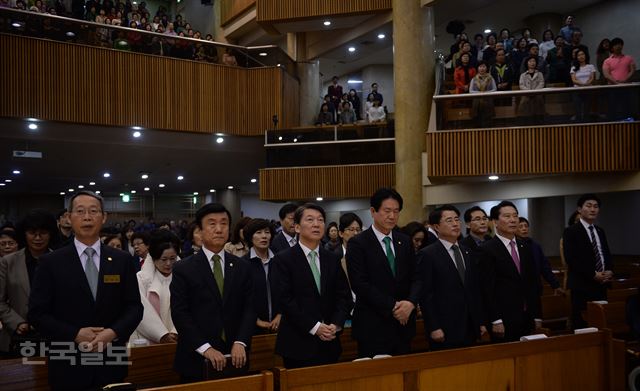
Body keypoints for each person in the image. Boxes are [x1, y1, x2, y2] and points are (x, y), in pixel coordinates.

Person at [28, 191, 143, 390]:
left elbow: (134, 307)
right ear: (68, 218)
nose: (87, 217)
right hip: (68, 361)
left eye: (93, 211)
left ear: (104, 217)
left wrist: (112, 333)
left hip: (110, 359)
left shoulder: (121, 259)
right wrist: (74, 334)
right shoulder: (51, 262)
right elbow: (37, 314)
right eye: (80, 211)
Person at [170, 203, 255, 382]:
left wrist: (241, 342)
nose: (219, 229)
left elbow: (250, 308)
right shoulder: (183, 268)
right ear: (199, 231)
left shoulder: (242, 266)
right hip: (196, 358)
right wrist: (205, 348)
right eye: (212, 223)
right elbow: (180, 313)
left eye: (224, 223)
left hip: (236, 356)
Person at [274, 204, 352, 368]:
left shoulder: (331, 258)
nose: (316, 224)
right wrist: (315, 327)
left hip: (330, 341)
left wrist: (336, 324)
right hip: (298, 343)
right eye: (310, 220)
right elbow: (285, 300)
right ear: (296, 227)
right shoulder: (283, 259)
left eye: (321, 220)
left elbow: (344, 295)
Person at [346, 188, 422, 357]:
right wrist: (394, 306)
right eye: (387, 211)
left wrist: (410, 303)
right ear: (373, 211)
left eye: (396, 211)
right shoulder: (358, 243)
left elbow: (417, 277)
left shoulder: (404, 240)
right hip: (373, 325)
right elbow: (360, 284)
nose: (392, 216)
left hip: (403, 324)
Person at [419, 205, 486, 350]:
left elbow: (474, 289)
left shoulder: (467, 251)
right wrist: (434, 327)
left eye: (457, 219)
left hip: (470, 325)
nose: (455, 224)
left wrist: (479, 321)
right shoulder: (428, 254)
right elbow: (426, 295)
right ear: (436, 226)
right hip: (444, 326)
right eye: (449, 220)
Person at [478, 201, 541, 342]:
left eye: (515, 216)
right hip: (504, 318)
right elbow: (487, 288)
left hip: (527, 316)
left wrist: (537, 315)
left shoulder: (525, 246)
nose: (513, 220)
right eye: (507, 216)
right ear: (495, 221)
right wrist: (495, 320)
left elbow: (533, 283)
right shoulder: (487, 249)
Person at [0, 210, 58, 355]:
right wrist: (17, 322)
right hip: (18, 335)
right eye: (32, 232)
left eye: (43, 232)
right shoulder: (8, 262)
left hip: (54, 335)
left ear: (50, 234)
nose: (37, 238)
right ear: (24, 234)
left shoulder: (60, 261)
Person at [563, 194, 613, 330]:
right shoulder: (571, 231)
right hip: (582, 286)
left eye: (596, 207)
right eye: (589, 206)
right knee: (582, 325)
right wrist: (592, 274)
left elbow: (605, 254)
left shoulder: (600, 231)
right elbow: (571, 259)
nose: (593, 209)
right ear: (579, 209)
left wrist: (609, 270)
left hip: (601, 285)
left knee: (601, 324)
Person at [130, 230, 180, 344]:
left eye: (172, 259)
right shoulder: (141, 279)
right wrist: (162, 335)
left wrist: (175, 332)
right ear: (153, 258)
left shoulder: (183, 278)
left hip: (179, 338)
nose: (168, 264)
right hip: (147, 340)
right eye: (163, 259)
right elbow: (140, 310)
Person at [241, 219, 280, 334]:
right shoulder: (242, 264)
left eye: (267, 232)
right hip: (251, 327)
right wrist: (256, 320)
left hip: (280, 324)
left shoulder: (280, 261)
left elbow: (287, 291)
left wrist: (280, 315)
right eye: (258, 232)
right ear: (250, 237)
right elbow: (240, 297)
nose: (264, 236)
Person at [516, 218, 563, 297]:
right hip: (519, 289)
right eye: (520, 227)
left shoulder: (535, 246)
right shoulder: (513, 246)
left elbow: (545, 267)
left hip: (535, 287)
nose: (524, 229)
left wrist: (555, 285)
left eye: (526, 226)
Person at [602, 37, 636, 120]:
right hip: (613, 88)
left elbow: (632, 70)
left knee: (627, 106)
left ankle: (628, 123)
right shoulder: (607, 61)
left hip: (626, 87)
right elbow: (606, 74)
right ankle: (614, 123)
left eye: (620, 44)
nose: (618, 46)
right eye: (616, 45)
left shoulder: (629, 58)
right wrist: (616, 83)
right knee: (613, 107)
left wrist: (625, 80)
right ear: (612, 47)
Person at [570, 49, 596, 121]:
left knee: (586, 111)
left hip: (588, 90)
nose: (581, 56)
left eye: (582, 54)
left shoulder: (591, 66)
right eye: (579, 55)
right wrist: (582, 84)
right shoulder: (574, 68)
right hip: (577, 90)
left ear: (586, 56)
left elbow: (592, 78)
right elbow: (574, 80)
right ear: (576, 57)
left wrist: (587, 84)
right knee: (578, 111)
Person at [518, 57, 546, 124]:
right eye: (530, 61)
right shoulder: (523, 75)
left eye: (533, 61)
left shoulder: (540, 74)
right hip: (527, 96)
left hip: (537, 96)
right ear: (527, 63)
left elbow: (541, 83)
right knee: (526, 114)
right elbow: (521, 85)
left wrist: (535, 92)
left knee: (538, 114)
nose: (532, 63)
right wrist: (529, 92)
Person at [469, 61, 497, 127]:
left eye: (484, 66)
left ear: (486, 68)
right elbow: (471, 91)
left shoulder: (491, 78)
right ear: (477, 68)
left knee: (488, 122)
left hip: (488, 101)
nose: (482, 68)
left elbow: (494, 89)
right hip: (477, 103)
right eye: (480, 67)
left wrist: (486, 93)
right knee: (477, 122)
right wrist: (480, 93)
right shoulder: (474, 79)